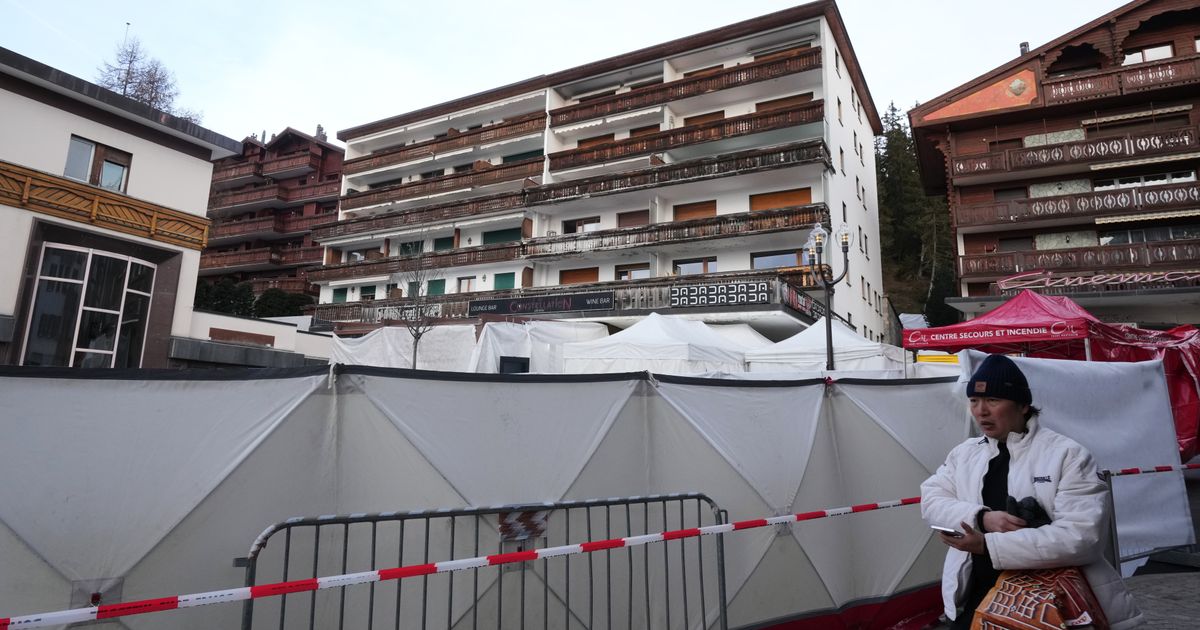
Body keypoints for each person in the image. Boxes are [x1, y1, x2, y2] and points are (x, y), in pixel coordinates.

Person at [920, 354, 1144, 629]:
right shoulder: (964, 454)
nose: (981, 411)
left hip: (1048, 604)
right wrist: (981, 518)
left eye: (993, 400)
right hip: (975, 600)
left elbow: (1082, 537)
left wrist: (987, 546)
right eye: (974, 401)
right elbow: (931, 500)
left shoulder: (1067, 455)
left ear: (1023, 405)